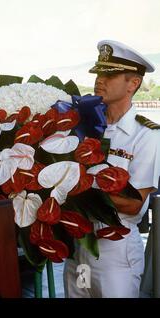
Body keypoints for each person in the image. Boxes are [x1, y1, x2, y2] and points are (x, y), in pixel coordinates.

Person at [63, 40, 160, 298]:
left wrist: (73, 191)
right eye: (98, 73)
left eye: (110, 74)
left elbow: (134, 204)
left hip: (115, 255)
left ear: (133, 83)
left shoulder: (146, 136)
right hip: (79, 250)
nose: (100, 80)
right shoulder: (85, 126)